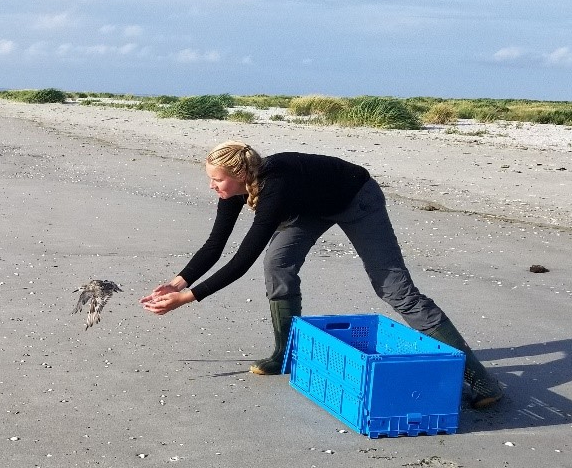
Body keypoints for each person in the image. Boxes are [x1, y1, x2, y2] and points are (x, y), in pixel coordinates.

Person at [140, 141, 503, 409]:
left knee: (395, 290)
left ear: (239, 175)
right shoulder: (236, 189)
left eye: (216, 180)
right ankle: (284, 354)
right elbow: (215, 245)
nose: (212, 186)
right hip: (311, 205)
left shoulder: (274, 189)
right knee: (278, 264)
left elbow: (242, 259)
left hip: (356, 198)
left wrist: (186, 299)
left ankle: (480, 379)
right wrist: (178, 282)